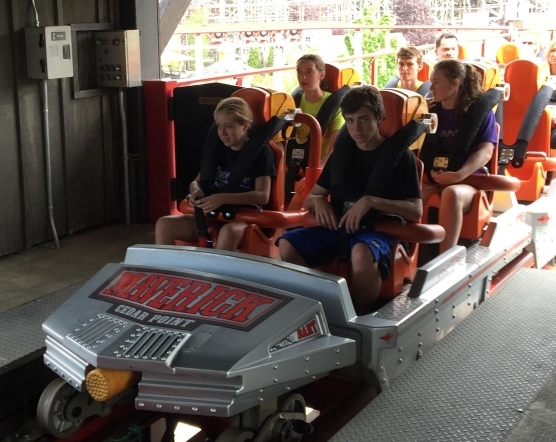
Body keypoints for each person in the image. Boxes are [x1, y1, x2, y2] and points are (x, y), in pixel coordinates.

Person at [278, 86, 422, 313]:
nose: (357, 128)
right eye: (351, 120)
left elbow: (415, 210)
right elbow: (311, 198)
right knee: (286, 244)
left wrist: (370, 201)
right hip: (337, 227)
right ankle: (322, 305)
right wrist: (320, 201)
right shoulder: (342, 155)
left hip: (377, 230)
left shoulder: (401, 158)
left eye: (364, 119)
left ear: (380, 118)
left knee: (361, 253)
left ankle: (361, 314)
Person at [155, 97, 275, 251]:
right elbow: (196, 182)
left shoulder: (261, 152)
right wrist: (196, 192)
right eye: (219, 126)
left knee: (227, 232)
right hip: (213, 216)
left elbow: (262, 196)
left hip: (244, 219)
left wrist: (223, 198)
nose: (222, 133)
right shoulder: (218, 148)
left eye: (229, 126)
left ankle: (213, 274)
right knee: (164, 224)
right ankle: (168, 273)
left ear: (245, 126)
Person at [420, 60, 498, 254]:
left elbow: (486, 151)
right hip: (433, 178)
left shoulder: (480, 113)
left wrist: (459, 174)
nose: (432, 88)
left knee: (451, 194)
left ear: (455, 83)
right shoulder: (429, 111)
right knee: (408, 192)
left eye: (437, 82)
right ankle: (410, 255)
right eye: (431, 82)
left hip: (468, 182)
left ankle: (445, 259)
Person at [293, 53, 344, 162]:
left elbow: (334, 149)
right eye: (299, 72)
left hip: (321, 166)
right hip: (294, 163)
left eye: (309, 72)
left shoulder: (335, 105)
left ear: (321, 75)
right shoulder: (293, 102)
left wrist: (316, 172)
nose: (303, 77)